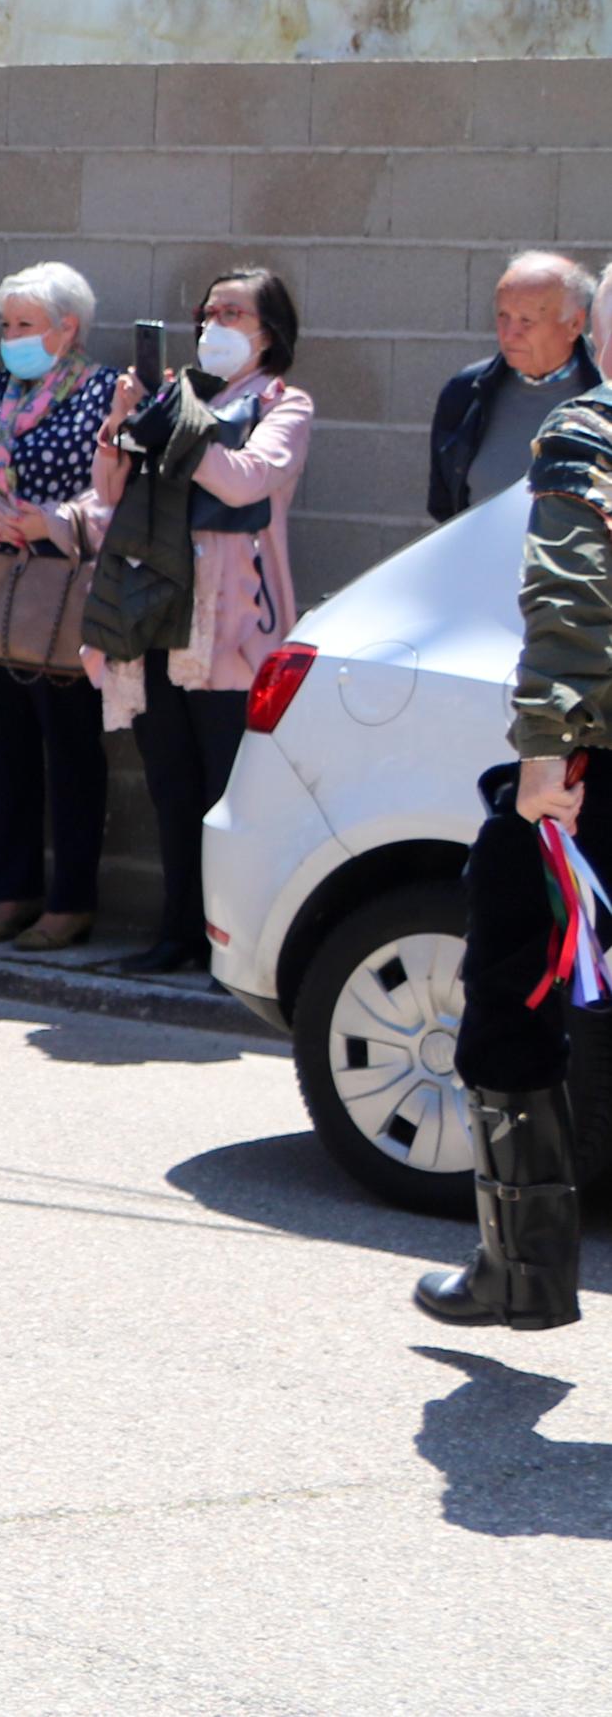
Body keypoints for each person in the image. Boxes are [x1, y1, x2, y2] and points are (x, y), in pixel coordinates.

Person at [414, 323, 612, 1334]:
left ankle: (521, 1266)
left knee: (508, 983)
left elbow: (570, 591)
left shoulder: (590, 427)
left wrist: (544, 747)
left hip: (594, 769)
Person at [77, 268, 309, 976]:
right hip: (156, 609)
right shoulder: (174, 396)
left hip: (234, 626)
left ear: (268, 329)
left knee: (226, 792)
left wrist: (169, 425)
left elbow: (243, 478)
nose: (214, 322)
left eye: (232, 311)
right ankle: (174, 933)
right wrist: (121, 426)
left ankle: (231, 952)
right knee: (171, 784)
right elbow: (108, 494)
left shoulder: (283, 403)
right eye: (207, 310)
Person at [0, 261, 121, 949]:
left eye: (23, 324)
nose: (9, 336)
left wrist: (48, 520)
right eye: (6, 322)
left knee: (69, 750)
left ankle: (71, 900)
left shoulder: (102, 392)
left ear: (66, 328)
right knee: (1, 749)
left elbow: (113, 490)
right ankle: (12, 890)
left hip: (59, 590)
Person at [430, 251, 597, 526]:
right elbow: (444, 505)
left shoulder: (603, 396)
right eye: (503, 316)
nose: (509, 333)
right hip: (484, 564)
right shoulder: (465, 392)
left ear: (575, 324)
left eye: (526, 321)